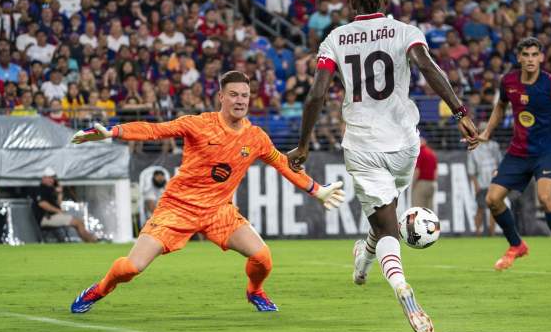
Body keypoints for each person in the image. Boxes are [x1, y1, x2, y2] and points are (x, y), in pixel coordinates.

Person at [287, 0, 479, 332]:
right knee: (385, 215)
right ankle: (364, 258)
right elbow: (427, 66)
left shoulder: (335, 39)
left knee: (387, 222)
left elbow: (316, 94)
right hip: (405, 144)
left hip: (362, 146)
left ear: (354, 3)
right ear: (385, 1)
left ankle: (401, 286)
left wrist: (305, 143)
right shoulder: (406, 32)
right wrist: (460, 113)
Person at [69, 71, 345, 314]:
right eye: (234, 95)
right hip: (177, 208)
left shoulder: (256, 137)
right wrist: (112, 133)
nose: (240, 100)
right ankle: (99, 289)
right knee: (131, 268)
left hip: (218, 211)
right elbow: (155, 130)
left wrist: (317, 190)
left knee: (263, 258)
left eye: (245, 96)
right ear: (221, 98)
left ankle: (255, 291)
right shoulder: (199, 124)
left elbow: (284, 164)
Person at [478, 37, 551, 276]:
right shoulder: (508, 81)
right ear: (519, 57)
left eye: (534, 55)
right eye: (526, 55)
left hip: (545, 152)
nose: (530, 59)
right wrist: (487, 132)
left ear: (541, 57)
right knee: (492, 199)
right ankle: (517, 245)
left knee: (545, 197)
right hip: (517, 153)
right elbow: (501, 106)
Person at [32, 167, 98, 243]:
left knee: (79, 222)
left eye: (52, 178)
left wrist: (60, 193)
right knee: (78, 222)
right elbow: (42, 204)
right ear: (43, 178)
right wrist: (58, 211)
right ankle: (93, 241)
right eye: (49, 178)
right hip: (46, 218)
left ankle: (90, 241)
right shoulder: (40, 189)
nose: (51, 180)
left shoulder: (50, 190)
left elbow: (58, 204)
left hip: (53, 216)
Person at [467, 122, 502, 236]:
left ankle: (491, 233)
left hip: (494, 182)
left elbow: (499, 163)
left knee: (494, 208)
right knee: (480, 209)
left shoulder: (494, 146)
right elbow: (472, 170)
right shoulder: (474, 148)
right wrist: (475, 185)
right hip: (481, 183)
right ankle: (478, 233)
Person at [412, 137, 438, 211]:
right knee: (429, 210)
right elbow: (436, 172)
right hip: (432, 184)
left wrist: (413, 184)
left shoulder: (419, 152)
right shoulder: (432, 153)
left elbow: (417, 171)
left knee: (418, 210)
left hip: (421, 183)